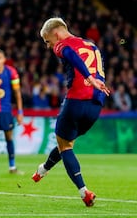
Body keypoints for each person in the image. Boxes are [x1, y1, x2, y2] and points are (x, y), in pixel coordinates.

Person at [31, 17, 110, 206]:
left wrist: (88, 78)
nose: (49, 46)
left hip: (76, 100)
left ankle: (84, 193)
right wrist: (93, 79)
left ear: (56, 33)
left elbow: (70, 55)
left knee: (65, 146)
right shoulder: (91, 46)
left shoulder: (62, 44)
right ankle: (42, 170)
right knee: (66, 141)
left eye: (48, 41)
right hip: (96, 104)